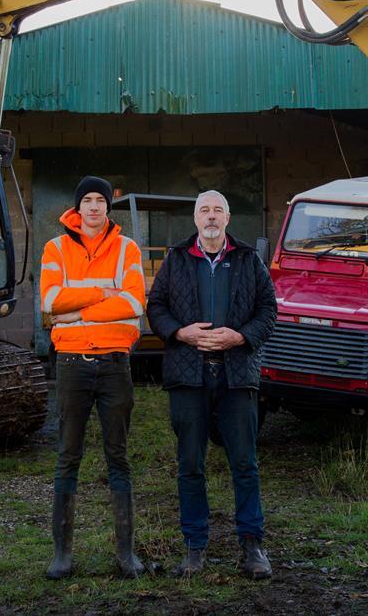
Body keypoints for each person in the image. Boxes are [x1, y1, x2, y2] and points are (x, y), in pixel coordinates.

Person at [145, 190, 277, 580]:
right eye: (205, 210)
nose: (211, 216)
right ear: (196, 218)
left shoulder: (248, 259)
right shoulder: (176, 258)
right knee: (190, 463)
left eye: (218, 210)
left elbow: (269, 310)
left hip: (236, 375)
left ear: (228, 218)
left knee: (244, 463)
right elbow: (156, 307)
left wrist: (241, 337)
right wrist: (179, 332)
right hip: (189, 375)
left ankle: (252, 546)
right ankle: (194, 547)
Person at [40, 176, 147, 580]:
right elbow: (51, 301)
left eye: (100, 200)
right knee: (68, 454)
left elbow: (134, 301)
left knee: (118, 455)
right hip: (72, 364)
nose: (94, 206)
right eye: (86, 199)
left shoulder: (127, 249)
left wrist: (80, 312)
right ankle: (62, 555)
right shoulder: (55, 248)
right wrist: (105, 294)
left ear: (107, 207)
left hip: (115, 364)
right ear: (77, 207)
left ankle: (126, 554)